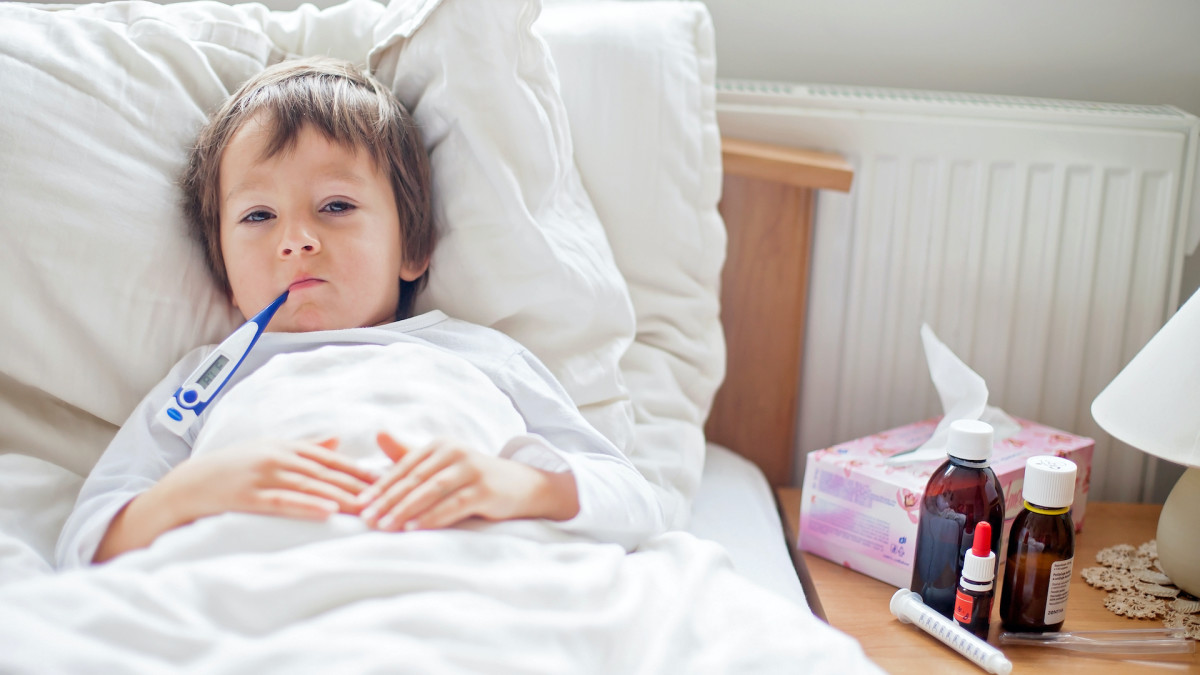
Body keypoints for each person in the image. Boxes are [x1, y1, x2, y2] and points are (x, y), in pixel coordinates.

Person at [55, 57, 664, 569]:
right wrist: (188, 493)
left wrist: (524, 486)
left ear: (415, 248)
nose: (296, 239)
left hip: (457, 570)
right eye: (259, 216)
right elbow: (87, 540)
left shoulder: (481, 354)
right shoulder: (206, 378)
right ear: (224, 276)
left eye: (337, 205)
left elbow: (633, 503)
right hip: (251, 578)